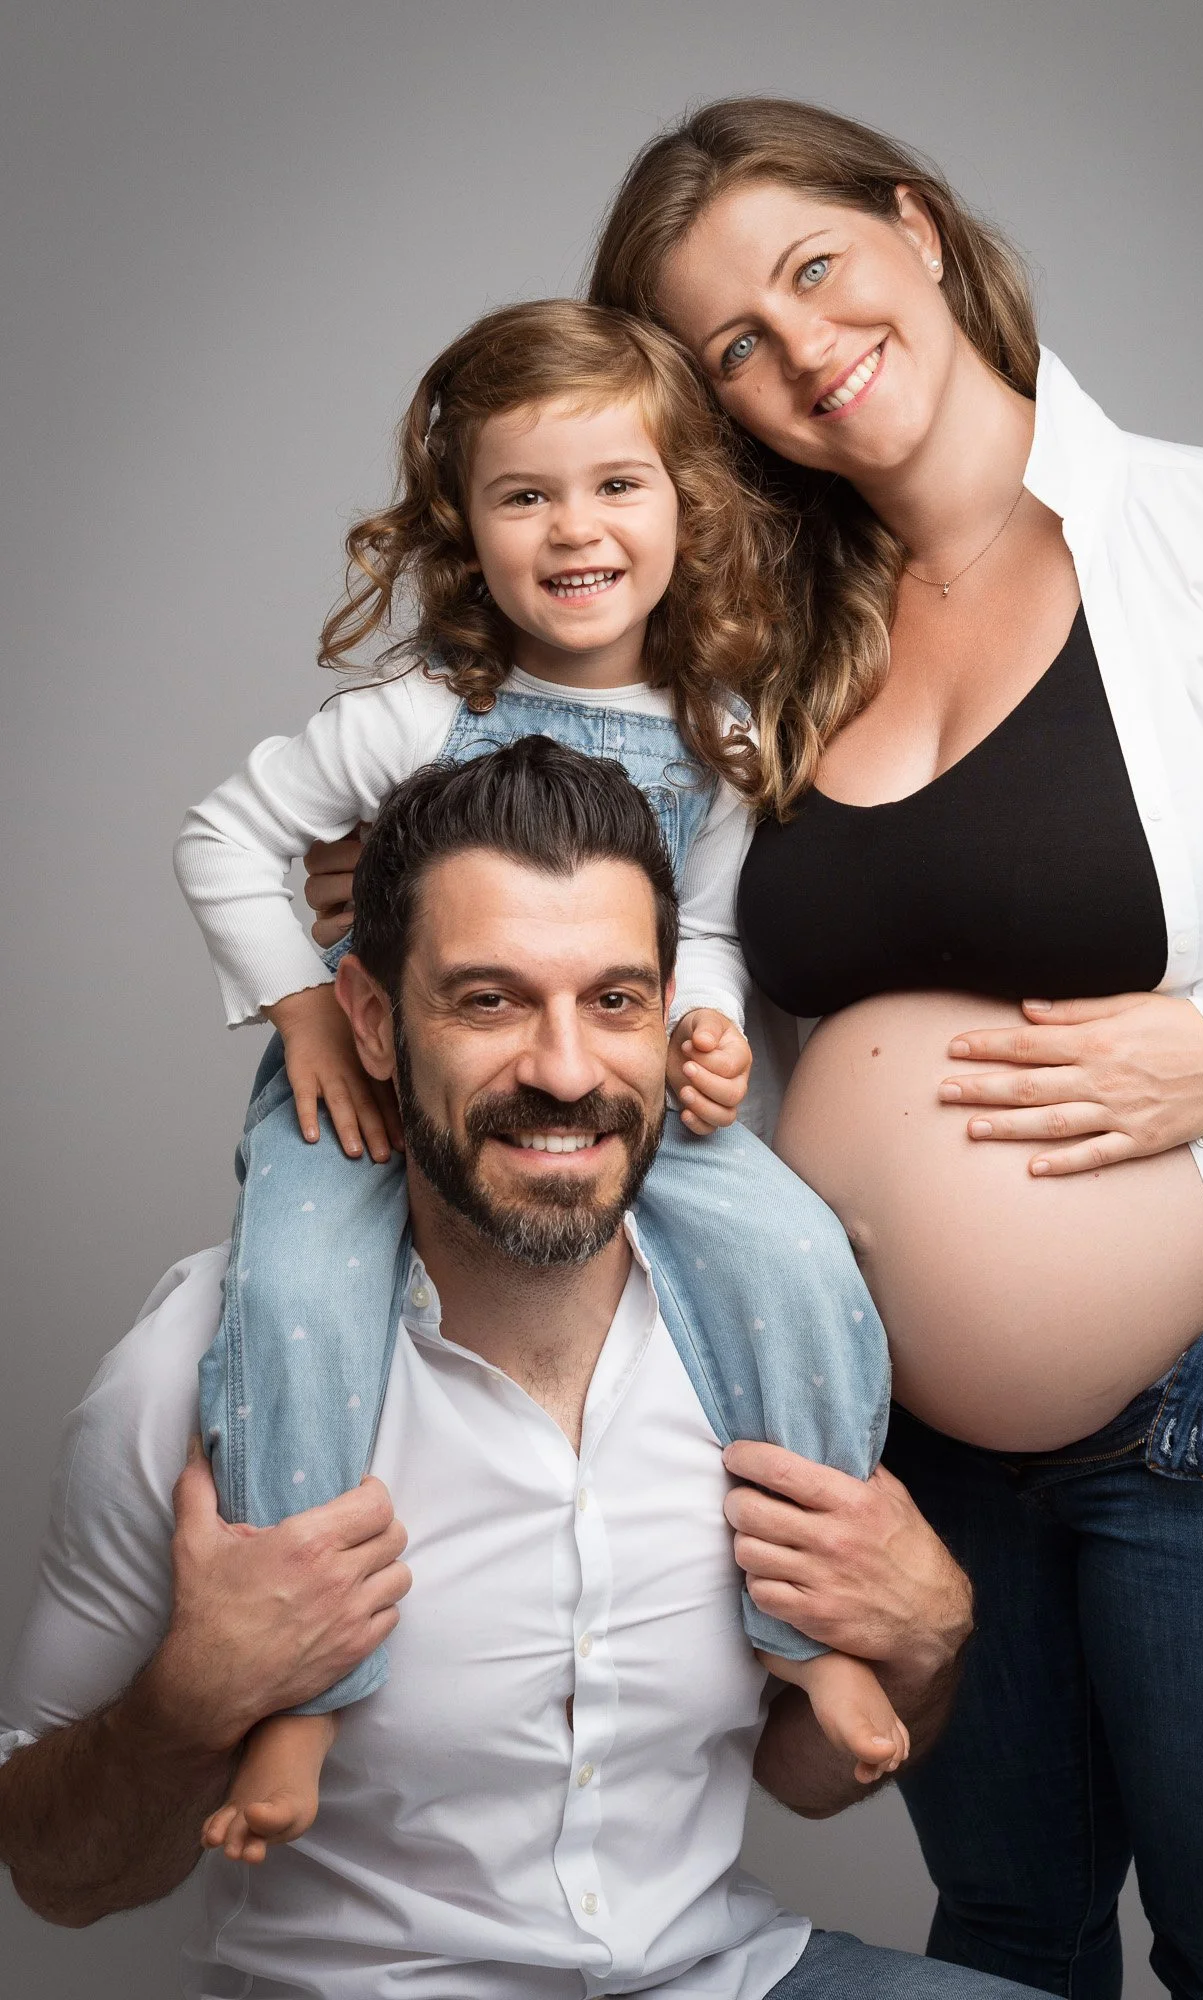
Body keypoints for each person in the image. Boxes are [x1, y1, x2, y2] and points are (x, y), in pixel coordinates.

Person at [515, 95, 1203, 2000]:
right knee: (1007, 1949)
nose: (802, 348)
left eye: (816, 269)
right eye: (734, 343)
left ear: (919, 231)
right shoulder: (773, 639)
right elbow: (708, 921)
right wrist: (691, 1027)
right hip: (907, 1442)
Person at [0, 740, 1044, 2000]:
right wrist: (187, 1705)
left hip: (726, 1975)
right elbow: (55, 1872)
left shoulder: (764, 1338)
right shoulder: (203, 1371)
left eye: (615, 1001)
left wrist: (927, 1646)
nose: (563, 1070)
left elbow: (801, 1776)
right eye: (488, 1001)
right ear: (375, 1021)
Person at [172, 301, 899, 1863]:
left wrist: (702, 1026)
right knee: (293, 1298)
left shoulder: (713, 735)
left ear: (683, 509)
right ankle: (308, 1685)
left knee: (798, 1255)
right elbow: (223, 834)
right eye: (526, 496)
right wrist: (303, 1012)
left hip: (618, 1095)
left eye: (616, 486)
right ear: (466, 528)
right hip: (380, 1089)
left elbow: (701, 923)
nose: (576, 528)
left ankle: (808, 1628)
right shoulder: (422, 713)